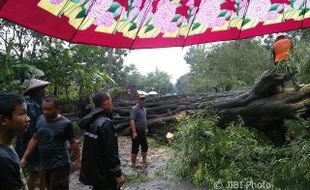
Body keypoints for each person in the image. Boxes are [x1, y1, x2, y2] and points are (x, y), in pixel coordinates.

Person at [20, 96, 80, 190]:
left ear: (58, 109)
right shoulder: (40, 120)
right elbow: (35, 139)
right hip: (45, 164)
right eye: (43, 109)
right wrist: (24, 157)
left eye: (49, 109)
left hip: (60, 165)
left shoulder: (65, 123)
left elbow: (72, 143)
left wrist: (77, 161)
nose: (45, 112)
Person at [78, 92, 125, 190]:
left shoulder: (91, 121)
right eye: (111, 102)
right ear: (106, 102)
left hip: (95, 173)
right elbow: (110, 152)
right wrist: (118, 174)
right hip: (105, 174)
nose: (112, 104)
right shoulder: (105, 123)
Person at [15, 78, 50, 190]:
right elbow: (34, 129)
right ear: (37, 91)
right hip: (32, 145)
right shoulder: (31, 106)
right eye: (42, 90)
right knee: (35, 173)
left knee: (42, 172)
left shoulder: (39, 104)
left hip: (38, 144)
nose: (44, 92)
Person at [0, 93, 30, 190]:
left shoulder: (7, 145)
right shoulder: (4, 159)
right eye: (22, 114)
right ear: (3, 120)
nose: (28, 119)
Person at [130, 94, 149, 168]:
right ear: (137, 99)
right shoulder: (134, 109)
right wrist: (134, 132)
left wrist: (146, 128)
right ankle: (133, 164)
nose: (142, 100)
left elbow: (145, 120)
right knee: (135, 147)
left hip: (142, 131)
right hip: (136, 130)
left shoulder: (144, 109)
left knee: (145, 146)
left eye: (143, 99)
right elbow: (132, 120)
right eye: (140, 99)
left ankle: (144, 160)